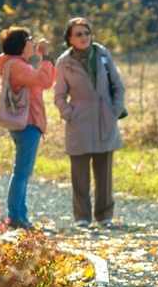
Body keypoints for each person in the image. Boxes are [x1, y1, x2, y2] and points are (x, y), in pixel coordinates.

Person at [53, 17, 125, 229]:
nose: (84, 37)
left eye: (87, 33)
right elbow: (59, 96)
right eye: (78, 34)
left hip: (105, 119)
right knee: (79, 174)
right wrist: (69, 113)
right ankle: (82, 217)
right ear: (69, 38)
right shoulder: (64, 62)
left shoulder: (102, 54)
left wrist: (114, 110)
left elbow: (118, 86)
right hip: (79, 122)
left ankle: (104, 216)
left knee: (104, 173)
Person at [0, 27, 56, 230]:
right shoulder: (18, 66)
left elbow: (41, 79)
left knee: (22, 171)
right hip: (28, 123)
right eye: (30, 39)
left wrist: (41, 58)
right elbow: (44, 80)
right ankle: (16, 217)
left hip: (23, 123)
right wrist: (45, 57)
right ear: (22, 44)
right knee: (22, 172)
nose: (33, 41)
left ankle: (19, 215)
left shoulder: (13, 63)